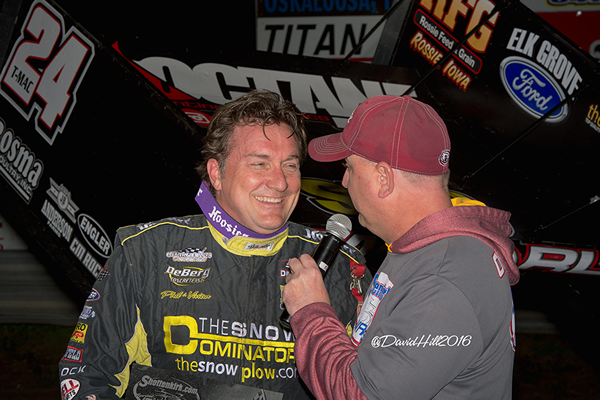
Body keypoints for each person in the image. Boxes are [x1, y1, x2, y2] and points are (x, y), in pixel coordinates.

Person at [59, 89, 370, 399]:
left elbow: (370, 386)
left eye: (290, 165)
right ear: (216, 173)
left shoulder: (341, 266)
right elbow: (87, 378)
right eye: (259, 164)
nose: (280, 183)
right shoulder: (144, 252)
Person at [283, 95, 519, 400]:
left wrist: (310, 311)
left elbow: (359, 395)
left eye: (349, 168)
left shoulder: (444, 277)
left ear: (383, 178)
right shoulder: (424, 249)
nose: (343, 181)